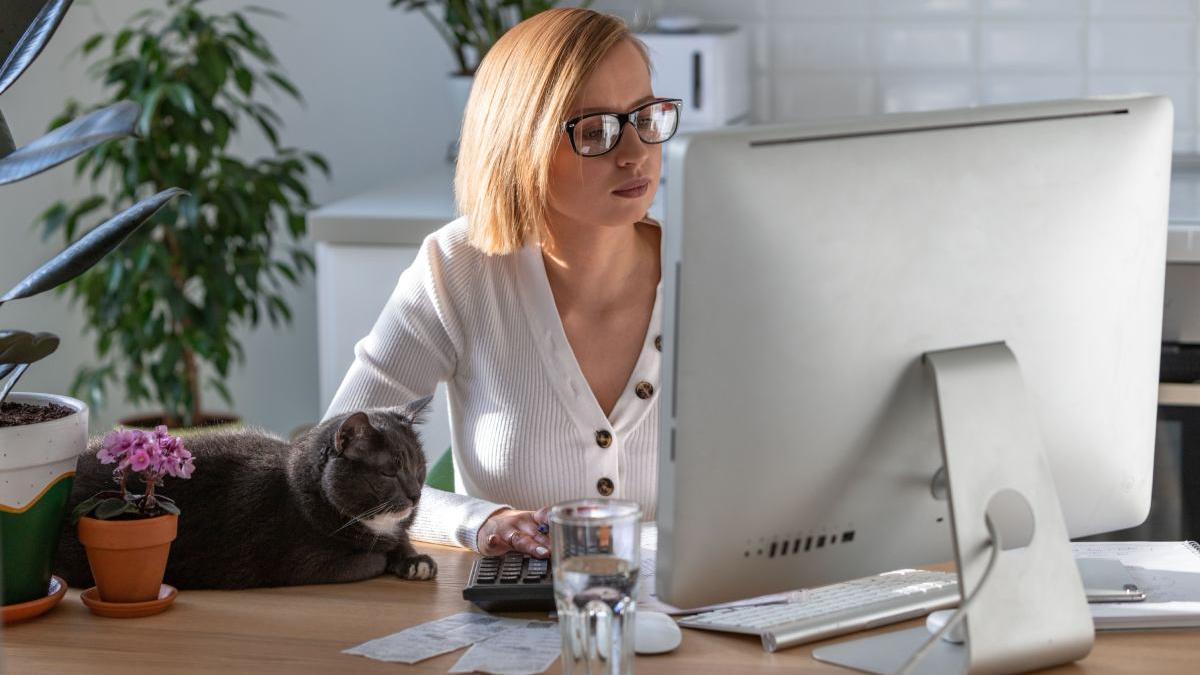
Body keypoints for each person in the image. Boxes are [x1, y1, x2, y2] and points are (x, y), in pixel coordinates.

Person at [323, 7, 681, 560]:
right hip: (510, 629)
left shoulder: (713, 265)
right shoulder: (458, 268)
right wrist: (481, 521)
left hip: (700, 619)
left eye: (645, 117)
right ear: (521, 146)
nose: (635, 154)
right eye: (594, 131)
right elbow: (332, 468)